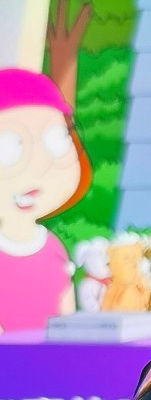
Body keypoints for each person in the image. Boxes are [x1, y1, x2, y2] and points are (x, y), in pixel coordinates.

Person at [0, 67, 91, 334]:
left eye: (56, 140)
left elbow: (66, 312)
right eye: (8, 147)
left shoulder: (53, 248)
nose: (39, 166)